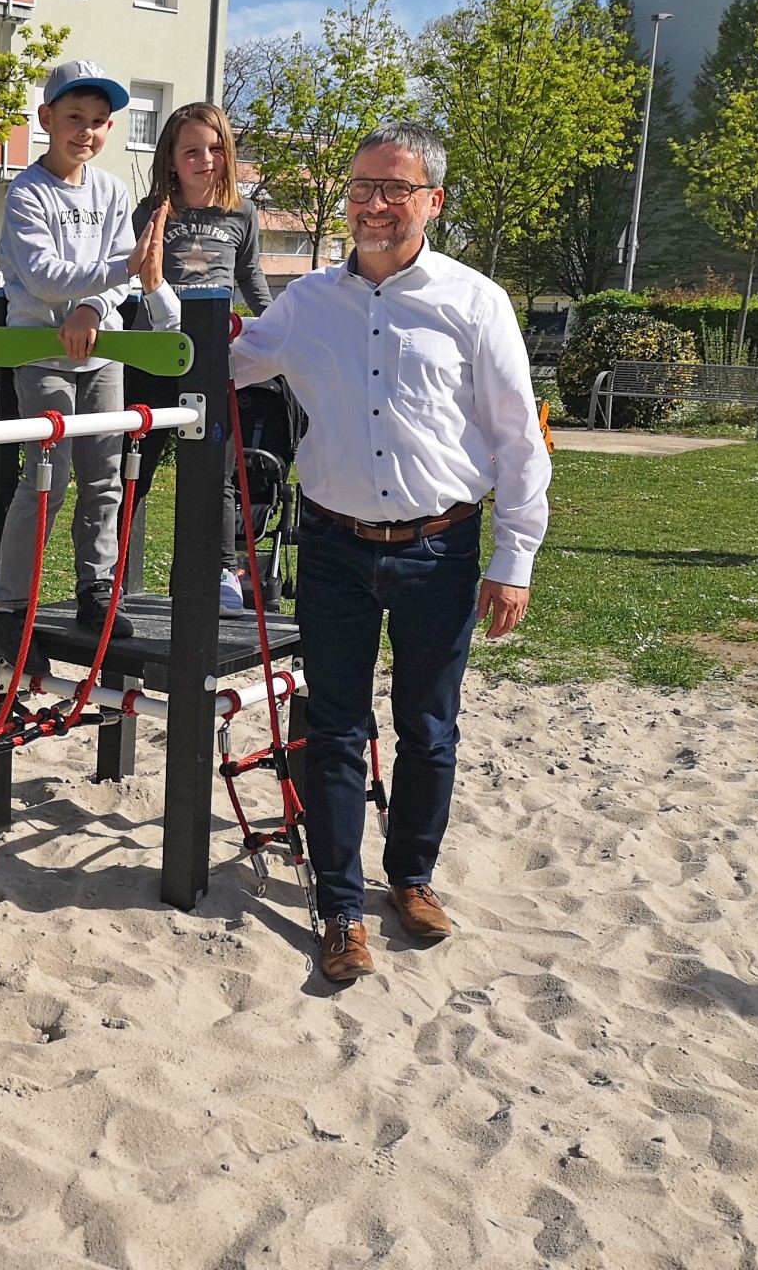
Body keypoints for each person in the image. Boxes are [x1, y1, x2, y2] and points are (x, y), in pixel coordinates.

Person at [228, 121, 550, 984]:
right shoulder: (304, 306)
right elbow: (223, 366)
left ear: (432, 201)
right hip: (333, 546)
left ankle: (410, 880)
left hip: (440, 549)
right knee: (332, 731)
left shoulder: (475, 301)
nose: (373, 204)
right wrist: (131, 312)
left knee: (428, 729)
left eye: (394, 188)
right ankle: (339, 908)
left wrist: (513, 558)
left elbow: (520, 439)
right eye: (362, 187)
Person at [0, 58, 153, 670]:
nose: (87, 130)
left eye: (100, 121)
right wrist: (100, 292)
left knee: (106, 473)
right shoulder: (26, 193)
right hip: (41, 352)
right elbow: (45, 277)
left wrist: (95, 312)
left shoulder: (110, 191)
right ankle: (9, 601)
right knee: (45, 479)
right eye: (75, 117)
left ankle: (97, 587)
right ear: (47, 118)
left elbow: (121, 272)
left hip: (101, 351)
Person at [126, 101, 275, 610]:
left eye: (215, 149)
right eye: (192, 150)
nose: (205, 159)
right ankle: (118, 569)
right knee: (136, 465)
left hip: (216, 359)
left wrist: (276, 329)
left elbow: (250, 277)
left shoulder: (242, 213)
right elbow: (139, 279)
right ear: (171, 159)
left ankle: (218, 571)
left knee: (219, 470)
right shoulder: (151, 212)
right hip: (156, 356)